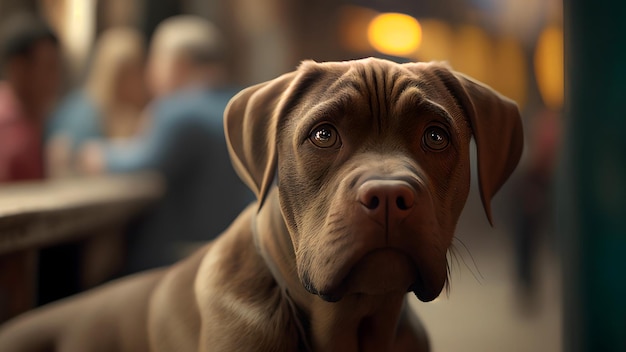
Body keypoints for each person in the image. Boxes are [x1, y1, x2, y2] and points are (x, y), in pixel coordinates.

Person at [80, 15, 253, 272]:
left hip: (183, 263)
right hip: (245, 255)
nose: (150, 73)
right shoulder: (247, 104)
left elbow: (144, 163)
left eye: (154, 61)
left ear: (177, 64)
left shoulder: (177, 109)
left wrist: (99, 155)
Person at [46, 27, 148, 177]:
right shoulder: (82, 113)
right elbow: (68, 162)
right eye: (130, 73)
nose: (139, 80)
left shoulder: (132, 114)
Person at [0, 13, 62, 182]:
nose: (55, 79)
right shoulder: (11, 135)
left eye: (56, 68)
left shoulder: (34, 120)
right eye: (48, 67)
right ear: (18, 69)